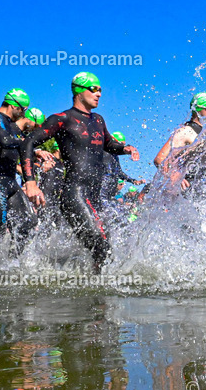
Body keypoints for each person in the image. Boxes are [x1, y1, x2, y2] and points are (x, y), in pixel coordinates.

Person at [22, 72, 139, 273]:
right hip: (75, 194)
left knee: (105, 248)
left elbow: (109, 144)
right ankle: (93, 293)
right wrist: (30, 181)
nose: (99, 94)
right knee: (102, 246)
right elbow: (28, 142)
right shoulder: (63, 119)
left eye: (100, 89)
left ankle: (88, 287)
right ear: (78, 90)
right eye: (93, 89)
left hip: (95, 196)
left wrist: (125, 148)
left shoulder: (99, 120)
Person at [0, 88, 42, 255]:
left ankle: (13, 261)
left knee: (29, 221)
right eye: (23, 109)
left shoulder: (13, 127)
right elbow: (5, 141)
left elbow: (20, 149)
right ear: (13, 105)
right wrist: (30, 147)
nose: (24, 113)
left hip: (10, 182)